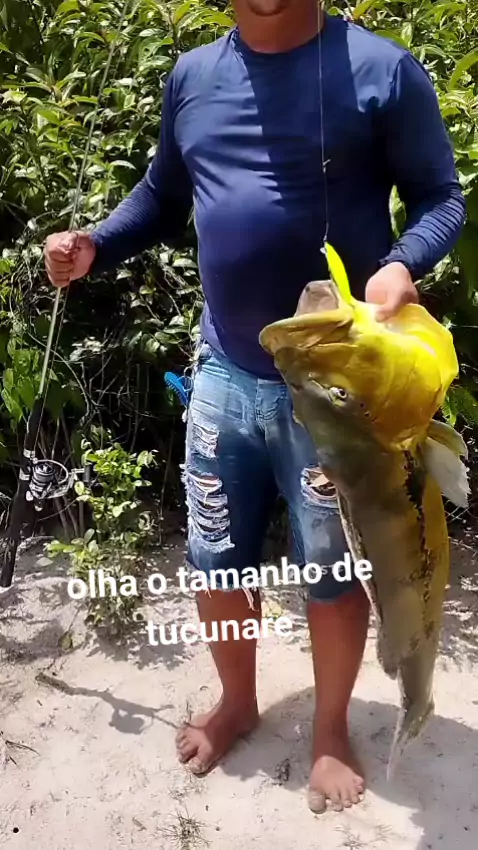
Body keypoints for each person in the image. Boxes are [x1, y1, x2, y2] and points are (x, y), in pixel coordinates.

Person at [44, 0, 466, 815]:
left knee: (331, 569)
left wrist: (403, 262)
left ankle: (331, 730)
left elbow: (441, 197)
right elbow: (162, 195)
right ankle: (237, 703)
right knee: (215, 557)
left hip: (333, 396)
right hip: (223, 376)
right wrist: (98, 242)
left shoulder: (381, 70)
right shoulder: (193, 76)